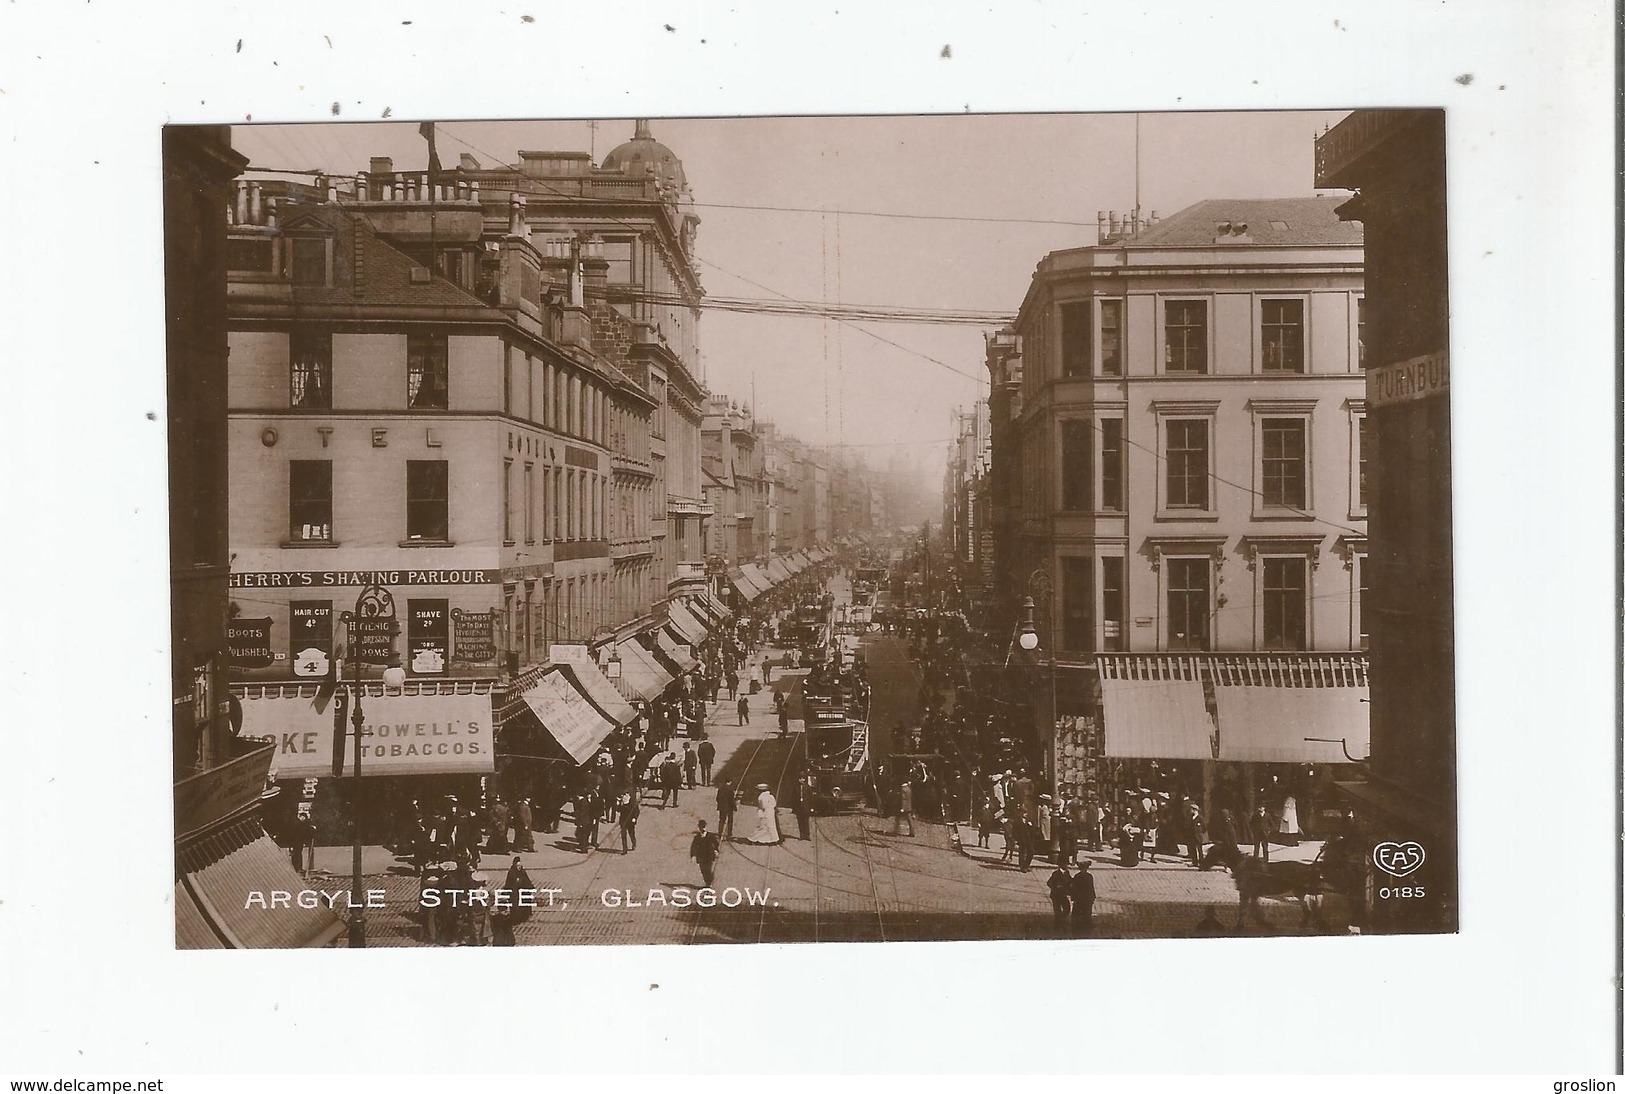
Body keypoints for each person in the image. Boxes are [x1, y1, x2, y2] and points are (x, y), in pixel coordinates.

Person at [690, 821, 721, 887]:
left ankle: (709, 883)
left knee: (708, 869)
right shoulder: (697, 837)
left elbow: (716, 843)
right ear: (699, 827)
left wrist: (716, 850)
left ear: (705, 827)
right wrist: (693, 855)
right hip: (701, 856)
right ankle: (707, 883)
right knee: (703, 870)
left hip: (709, 855)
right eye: (701, 827)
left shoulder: (710, 836)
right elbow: (693, 846)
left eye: (703, 827)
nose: (702, 828)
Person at [1069, 861, 1096, 935]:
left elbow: (1074, 888)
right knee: (1086, 914)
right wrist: (1092, 897)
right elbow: (1091, 888)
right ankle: (1086, 929)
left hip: (1080, 899)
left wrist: (1073, 897)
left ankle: (1078, 929)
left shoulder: (1077, 876)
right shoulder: (1089, 876)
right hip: (1086, 899)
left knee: (1078, 914)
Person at [1046, 862, 1073, 930]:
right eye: (1066, 864)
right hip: (1056, 895)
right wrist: (1056, 887)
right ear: (1062, 865)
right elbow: (1049, 883)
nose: (1067, 866)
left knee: (1067, 908)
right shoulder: (1056, 873)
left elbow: (1070, 881)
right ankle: (1057, 925)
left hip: (1063, 894)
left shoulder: (1067, 873)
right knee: (1057, 910)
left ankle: (1061, 919)